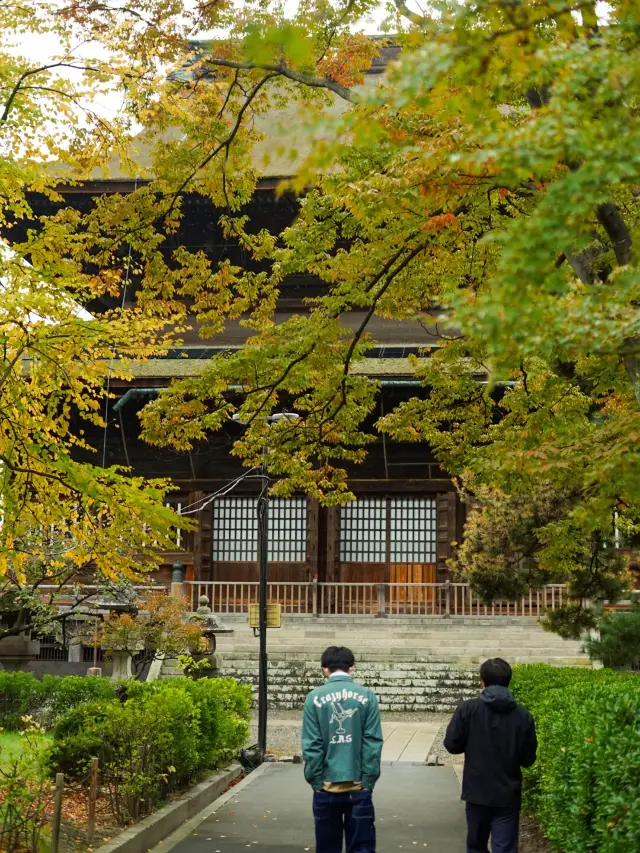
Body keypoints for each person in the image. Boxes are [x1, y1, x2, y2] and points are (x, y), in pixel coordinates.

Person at [444, 657, 537, 853]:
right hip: (508, 793)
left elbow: (452, 745)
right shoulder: (523, 716)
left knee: (476, 846)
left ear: (483, 681)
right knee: (504, 847)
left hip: (477, 791)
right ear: (508, 682)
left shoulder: (468, 709)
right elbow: (528, 759)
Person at [301, 645, 383, 853]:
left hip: (326, 786)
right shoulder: (367, 695)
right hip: (358, 785)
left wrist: (316, 780)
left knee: (327, 846)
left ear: (324, 669)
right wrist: (368, 780)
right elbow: (372, 741)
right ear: (351, 668)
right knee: (362, 846)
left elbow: (312, 744)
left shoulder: (314, 697)